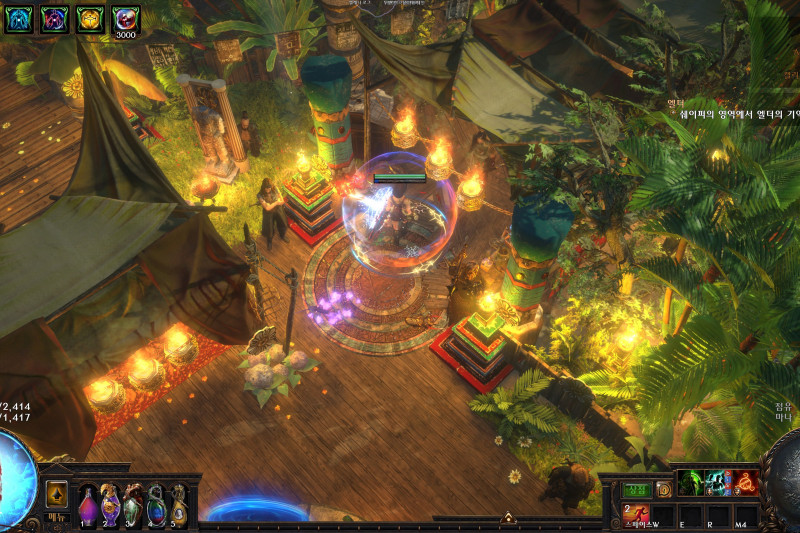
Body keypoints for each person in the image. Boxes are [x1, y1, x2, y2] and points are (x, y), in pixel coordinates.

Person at [257, 178, 289, 251]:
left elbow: (282, 201)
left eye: (269, 188)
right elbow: (267, 208)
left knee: (282, 223)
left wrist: (273, 204)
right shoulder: (260, 195)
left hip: (278, 210)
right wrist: (276, 202)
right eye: (266, 188)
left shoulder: (275, 189)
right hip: (268, 214)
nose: (268, 190)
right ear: (263, 187)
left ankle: (282, 235)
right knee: (269, 228)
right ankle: (269, 241)